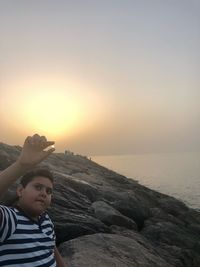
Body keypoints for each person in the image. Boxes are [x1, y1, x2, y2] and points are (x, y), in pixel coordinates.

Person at [0, 134, 68, 267]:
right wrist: (21, 165)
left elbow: (52, 251)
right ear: (20, 191)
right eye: (38, 187)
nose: (44, 193)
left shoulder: (46, 221)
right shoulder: (10, 219)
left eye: (49, 191)